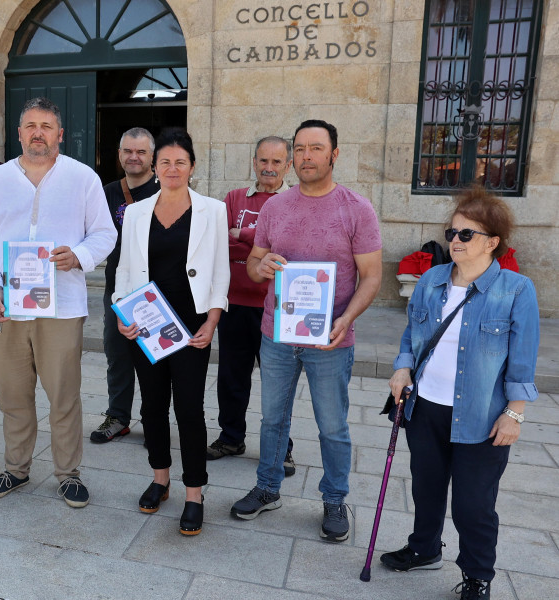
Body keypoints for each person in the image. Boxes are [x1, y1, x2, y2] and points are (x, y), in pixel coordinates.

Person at [380, 189, 539, 600]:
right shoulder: (432, 279)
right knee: (425, 488)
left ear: (492, 242)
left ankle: (477, 574)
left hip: (482, 417)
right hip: (425, 407)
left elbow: (522, 361)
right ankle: (424, 547)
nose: (456, 240)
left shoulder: (516, 290)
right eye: (453, 231)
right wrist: (402, 366)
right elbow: (413, 335)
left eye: (467, 234)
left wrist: (515, 414)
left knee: (473, 505)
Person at [230, 119, 382, 544]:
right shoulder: (275, 208)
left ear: (335, 153)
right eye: (300, 149)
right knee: (272, 419)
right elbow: (256, 263)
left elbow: (371, 276)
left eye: (316, 148)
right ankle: (268, 487)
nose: (306, 157)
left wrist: (347, 319)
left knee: (332, 426)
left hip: (330, 339)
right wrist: (264, 266)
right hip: (277, 334)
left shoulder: (356, 208)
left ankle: (334, 498)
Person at [0, 97, 116, 508]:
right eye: (30, 125)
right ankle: (16, 468)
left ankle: (68, 474)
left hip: (62, 307)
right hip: (4, 306)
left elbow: (104, 234)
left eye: (46, 126)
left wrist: (80, 257)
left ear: (60, 134)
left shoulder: (82, 177)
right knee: (13, 394)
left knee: (63, 395)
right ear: (18, 134)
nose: (38, 133)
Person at [114, 129, 230, 536]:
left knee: (190, 410)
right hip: (147, 326)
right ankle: (160, 478)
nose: (172, 168)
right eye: (165, 162)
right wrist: (119, 311)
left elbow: (220, 271)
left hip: (192, 327)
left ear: (192, 166)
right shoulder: (137, 212)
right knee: (152, 407)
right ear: (154, 166)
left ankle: (194, 493)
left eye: (181, 161)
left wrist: (212, 320)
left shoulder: (213, 211)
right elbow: (125, 268)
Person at [208, 136, 297, 475]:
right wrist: (258, 240)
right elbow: (221, 241)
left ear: (287, 165)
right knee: (231, 377)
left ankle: (280, 449)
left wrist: (243, 236)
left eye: (276, 162)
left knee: (278, 382)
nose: (268, 168)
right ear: (254, 162)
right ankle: (231, 437)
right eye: (263, 161)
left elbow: (283, 245)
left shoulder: (294, 201)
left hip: (275, 308)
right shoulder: (234, 198)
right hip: (235, 303)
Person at [90, 127, 160, 444]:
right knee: (117, 354)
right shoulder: (107, 193)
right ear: (119, 155)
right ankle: (118, 417)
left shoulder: (166, 191)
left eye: (141, 152)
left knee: (155, 358)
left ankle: (153, 419)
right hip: (117, 288)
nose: (134, 157)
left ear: (152, 156)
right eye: (128, 151)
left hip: (157, 291)